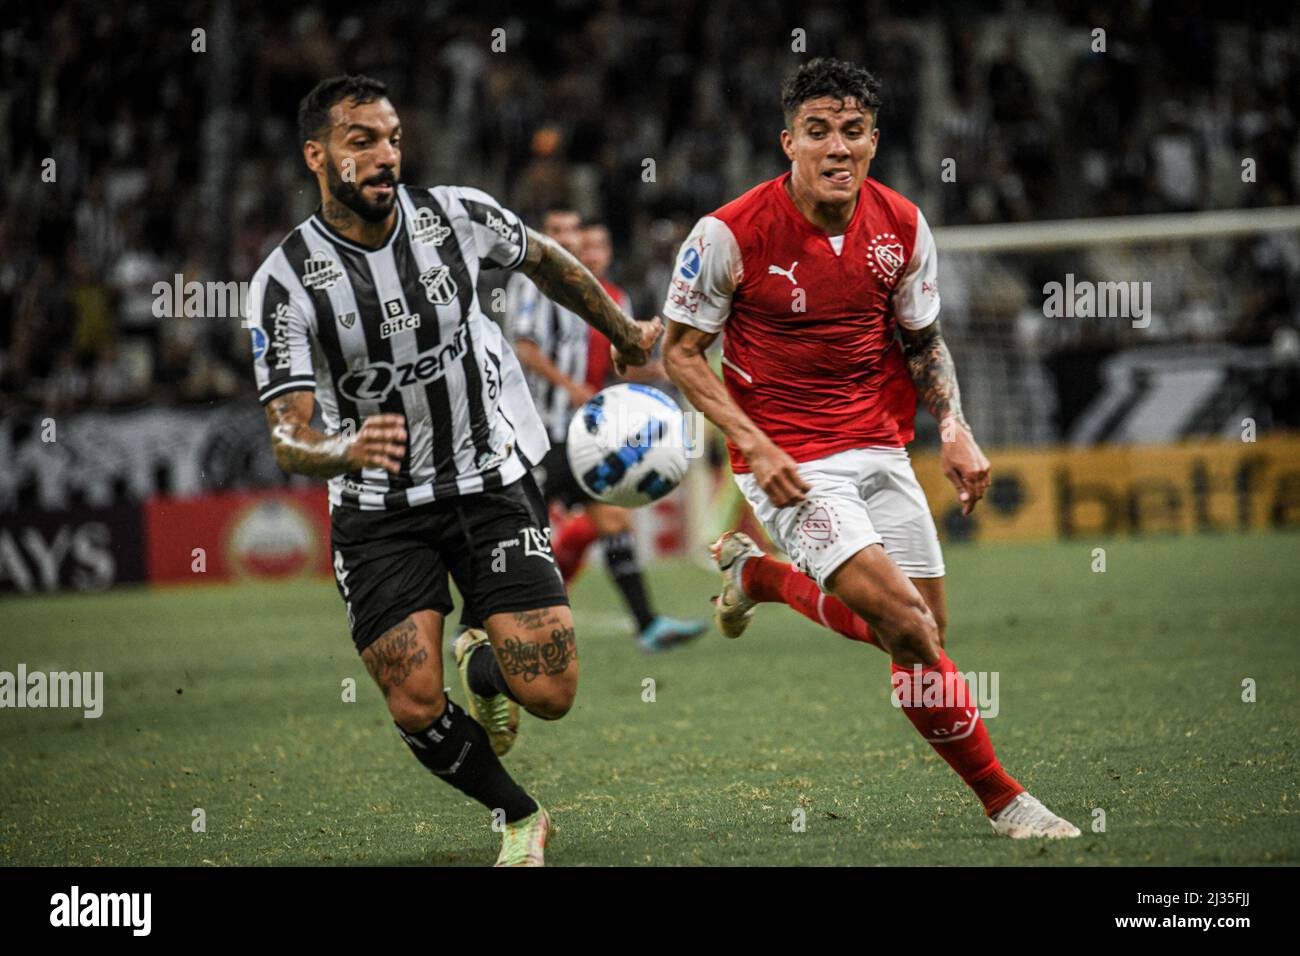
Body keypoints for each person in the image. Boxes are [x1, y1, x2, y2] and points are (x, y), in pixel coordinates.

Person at [661, 58, 1079, 839]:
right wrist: (753, 443)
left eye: (852, 131)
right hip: (787, 463)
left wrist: (953, 426)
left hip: (880, 446)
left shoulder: (904, 225)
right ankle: (1007, 802)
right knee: (912, 630)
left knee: (924, 639)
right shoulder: (726, 235)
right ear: (788, 142)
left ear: (874, 141)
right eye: (817, 132)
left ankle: (758, 576)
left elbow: (923, 341)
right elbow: (682, 353)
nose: (837, 148)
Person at [248, 75, 660, 866]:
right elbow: (288, 437)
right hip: (378, 510)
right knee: (413, 698)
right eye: (360, 140)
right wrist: (345, 447)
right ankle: (517, 814)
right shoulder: (285, 283)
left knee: (552, 693)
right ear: (317, 156)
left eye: (392, 138)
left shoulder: (455, 216)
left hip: (489, 479)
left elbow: (545, 262)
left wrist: (623, 333)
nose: (384, 155)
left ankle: (489, 669)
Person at [504, 207, 706, 652]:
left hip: (580, 434)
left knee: (614, 522)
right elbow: (524, 348)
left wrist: (654, 368)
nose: (569, 241)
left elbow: (618, 366)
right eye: (555, 231)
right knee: (518, 532)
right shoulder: (532, 284)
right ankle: (480, 624)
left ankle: (648, 625)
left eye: (575, 233)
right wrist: (572, 387)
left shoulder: (596, 295)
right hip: (536, 432)